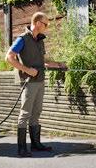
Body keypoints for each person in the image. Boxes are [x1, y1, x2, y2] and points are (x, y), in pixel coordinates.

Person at [5, 12, 66, 157]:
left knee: (36, 112)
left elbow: (42, 62)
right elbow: (9, 57)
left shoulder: (40, 40)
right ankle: (21, 148)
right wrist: (27, 70)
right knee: (25, 114)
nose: (47, 27)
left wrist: (58, 65)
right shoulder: (23, 39)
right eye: (46, 24)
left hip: (40, 81)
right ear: (38, 23)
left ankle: (36, 144)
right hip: (29, 82)